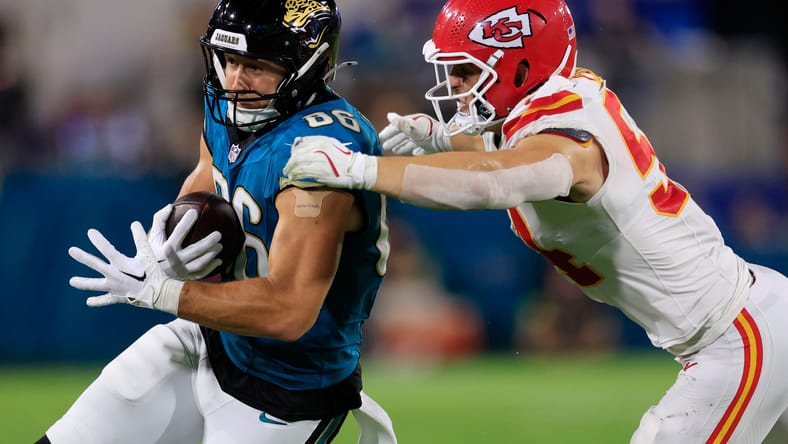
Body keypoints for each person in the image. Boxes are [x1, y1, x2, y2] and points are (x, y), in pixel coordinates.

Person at [283, 0, 788, 442]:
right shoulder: (551, 107)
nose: (452, 86)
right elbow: (502, 151)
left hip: (736, 339)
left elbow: (495, 180)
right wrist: (440, 138)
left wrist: (360, 170)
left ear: (521, 66)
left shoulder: (565, 136)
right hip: (751, 318)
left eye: (466, 71)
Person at [41, 1, 396, 443]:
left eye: (257, 65)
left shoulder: (321, 152)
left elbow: (289, 309)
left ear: (310, 67)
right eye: (230, 60)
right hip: (212, 338)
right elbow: (210, 168)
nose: (235, 81)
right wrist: (173, 233)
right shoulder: (231, 102)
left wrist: (163, 291)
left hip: (290, 389)